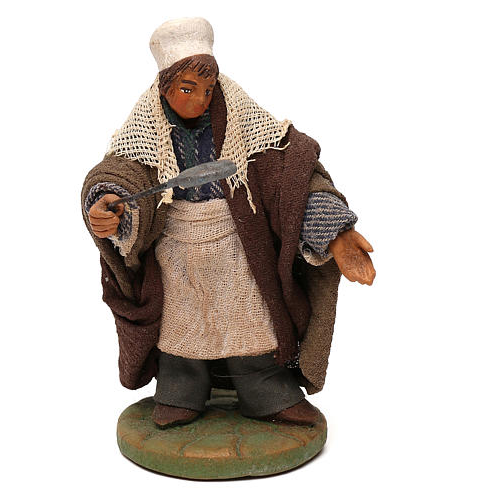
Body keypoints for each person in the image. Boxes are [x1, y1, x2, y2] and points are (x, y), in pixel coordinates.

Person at [82, 18, 375, 429]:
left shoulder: (243, 123)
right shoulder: (144, 131)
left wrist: (334, 232)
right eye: (188, 89)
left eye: (208, 89)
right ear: (164, 88)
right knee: (181, 324)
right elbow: (120, 175)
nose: (201, 100)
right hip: (175, 247)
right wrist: (108, 206)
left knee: (251, 319)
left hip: (236, 243)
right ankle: (180, 389)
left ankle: (265, 389)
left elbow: (290, 177)